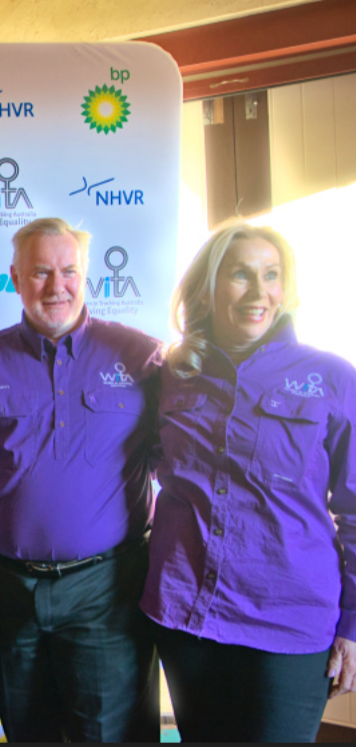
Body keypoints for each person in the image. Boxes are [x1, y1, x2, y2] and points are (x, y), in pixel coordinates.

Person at [0, 217, 162, 742]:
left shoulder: (142, 358)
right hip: (8, 587)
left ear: (87, 276)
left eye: (68, 271)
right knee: (27, 731)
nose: (55, 286)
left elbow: (180, 461)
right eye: (40, 272)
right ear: (15, 277)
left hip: (108, 590)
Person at [142, 221, 356, 742]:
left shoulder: (331, 378)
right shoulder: (170, 373)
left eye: (271, 275)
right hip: (186, 612)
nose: (258, 292)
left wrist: (352, 624)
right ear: (209, 288)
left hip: (290, 621)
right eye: (240, 275)